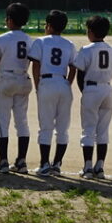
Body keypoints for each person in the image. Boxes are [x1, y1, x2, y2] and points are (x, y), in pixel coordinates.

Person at [29, 10, 77, 176]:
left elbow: (36, 65)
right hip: (63, 83)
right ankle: (57, 164)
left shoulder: (40, 41)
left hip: (46, 82)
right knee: (63, 127)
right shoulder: (69, 44)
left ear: (48, 25)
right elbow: (73, 67)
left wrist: (38, 86)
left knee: (46, 126)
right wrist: (67, 83)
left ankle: (44, 163)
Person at [0, 3, 33, 174]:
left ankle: (3, 162)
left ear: (10, 20)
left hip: (6, 79)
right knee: (22, 122)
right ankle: (21, 161)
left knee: (2, 122)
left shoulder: (1, 38)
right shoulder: (29, 39)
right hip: (23, 78)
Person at [71, 15, 112, 179]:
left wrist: (85, 92)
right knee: (103, 131)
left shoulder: (86, 49)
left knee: (88, 130)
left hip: (91, 88)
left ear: (90, 31)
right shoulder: (111, 49)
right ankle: (100, 167)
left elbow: (80, 74)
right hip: (107, 88)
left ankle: (88, 167)